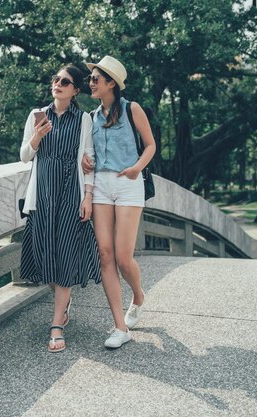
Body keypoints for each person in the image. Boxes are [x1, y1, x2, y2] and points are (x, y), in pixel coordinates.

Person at [20, 64, 102, 353]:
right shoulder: (36, 115)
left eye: (64, 82)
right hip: (42, 193)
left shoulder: (83, 120)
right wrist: (38, 136)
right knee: (45, 256)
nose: (57, 84)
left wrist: (88, 197)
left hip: (70, 192)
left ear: (75, 90)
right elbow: (24, 156)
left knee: (65, 253)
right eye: (55, 79)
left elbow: (89, 160)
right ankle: (63, 301)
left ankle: (56, 325)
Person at [82, 56, 156, 349]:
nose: (91, 83)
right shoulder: (91, 117)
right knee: (105, 253)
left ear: (111, 82)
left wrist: (138, 167)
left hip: (128, 184)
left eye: (96, 79)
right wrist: (86, 160)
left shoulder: (131, 108)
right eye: (91, 79)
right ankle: (119, 326)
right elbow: (88, 153)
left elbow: (150, 144)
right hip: (101, 185)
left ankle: (137, 295)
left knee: (124, 257)